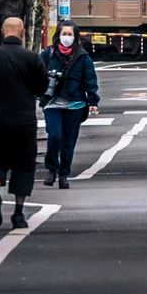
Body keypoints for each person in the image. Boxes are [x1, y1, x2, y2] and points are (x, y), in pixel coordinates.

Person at [0, 16, 48, 229]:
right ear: (23, 32)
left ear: (2, 31)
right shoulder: (31, 58)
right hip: (24, 120)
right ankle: (18, 213)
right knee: (24, 165)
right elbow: (41, 87)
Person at [40, 21, 99, 188]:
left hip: (75, 103)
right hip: (52, 102)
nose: (67, 38)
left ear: (75, 37)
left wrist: (93, 101)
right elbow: (36, 74)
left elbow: (90, 80)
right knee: (55, 136)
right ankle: (51, 168)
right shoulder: (48, 55)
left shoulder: (83, 58)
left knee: (69, 141)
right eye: (64, 34)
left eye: (70, 34)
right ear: (58, 35)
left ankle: (63, 173)